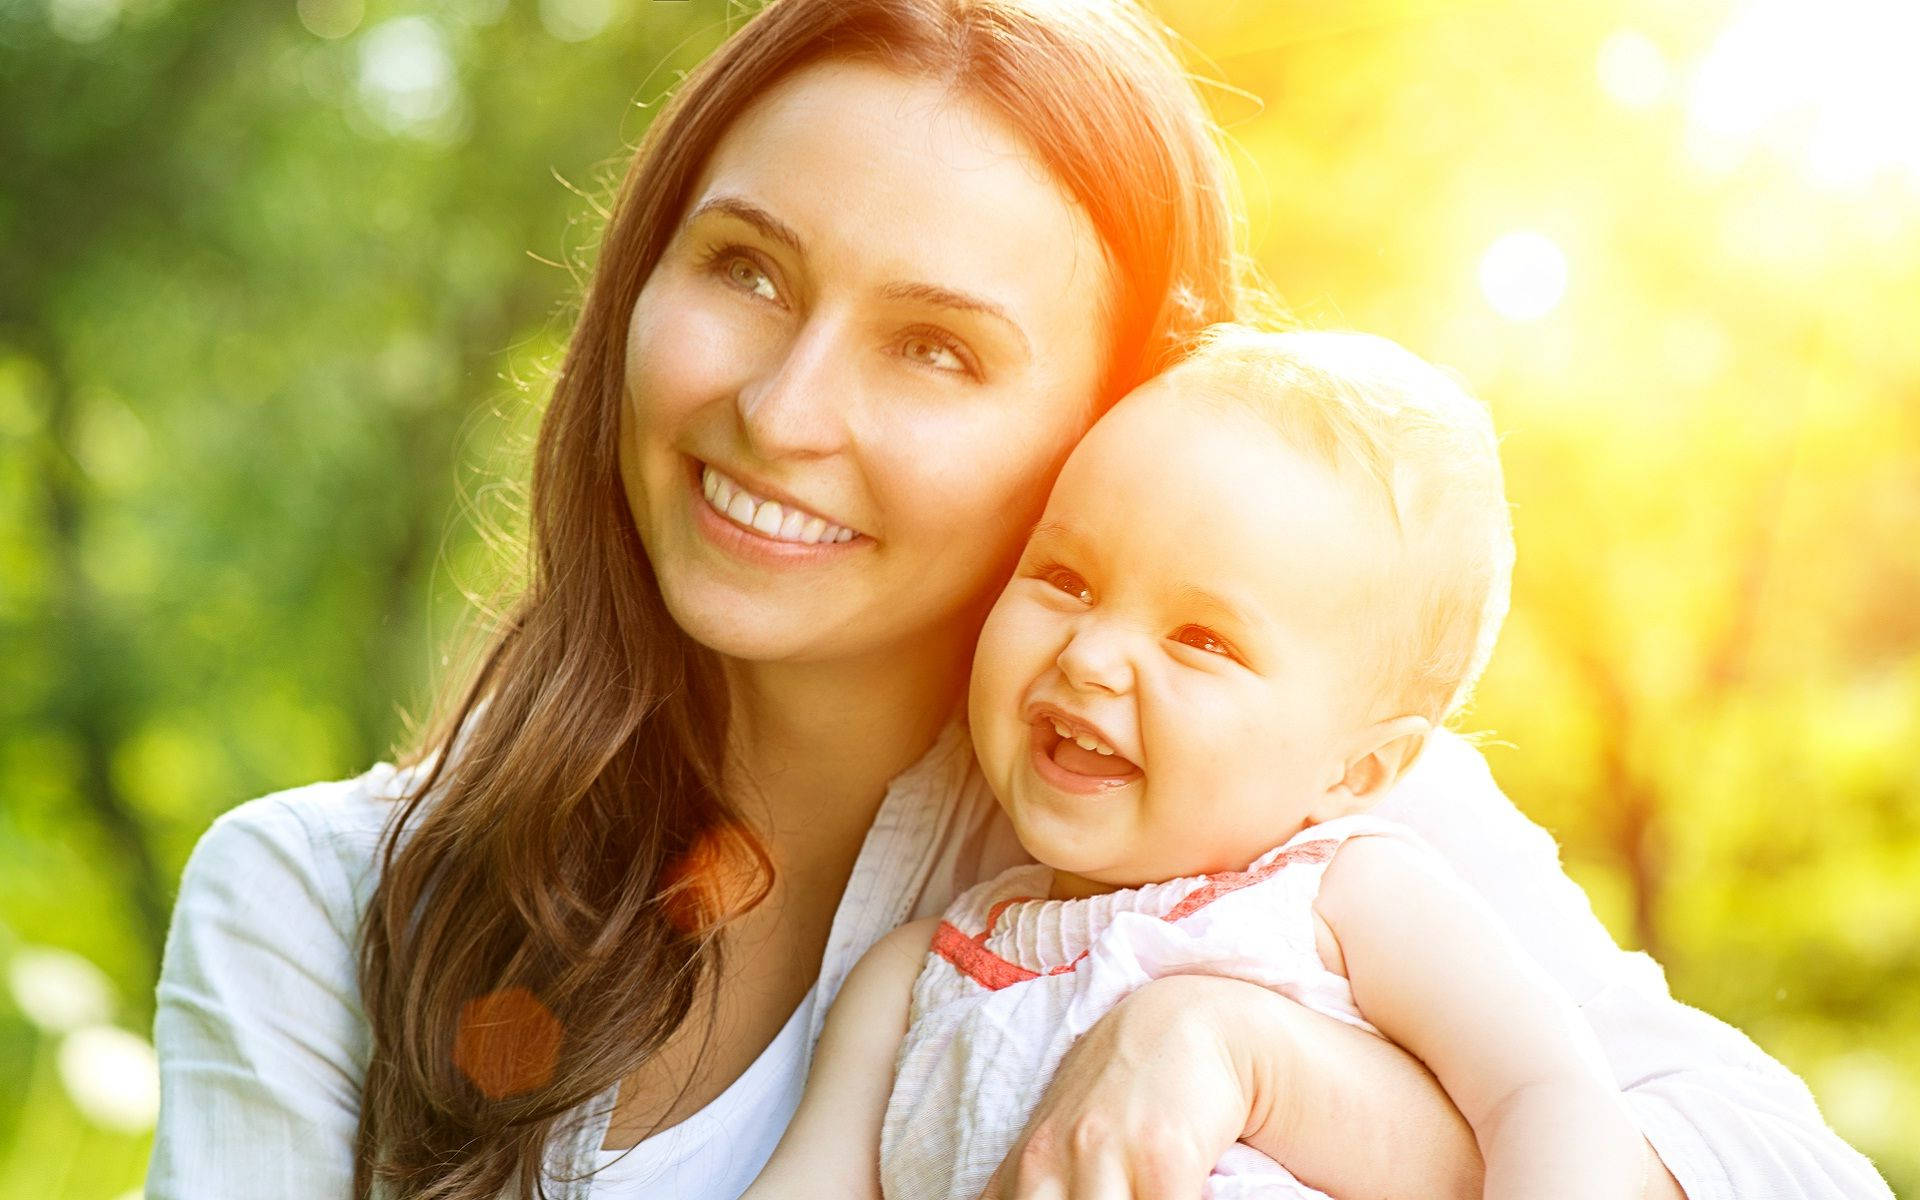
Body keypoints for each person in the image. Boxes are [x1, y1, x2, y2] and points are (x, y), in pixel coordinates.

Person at [145, 1, 1894, 1198]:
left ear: (1104, 422)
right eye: (746, 267)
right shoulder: (324, 910)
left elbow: (1783, 1172)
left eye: (936, 346)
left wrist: (1239, 1053)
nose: (785, 407)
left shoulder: (1269, 789)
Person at [743, 325, 1652, 1200]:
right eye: (1066, 579)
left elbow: (1551, 1097)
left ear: (1358, 772)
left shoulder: (1346, 899)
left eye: (1201, 639)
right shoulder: (912, 980)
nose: (1091, 657)